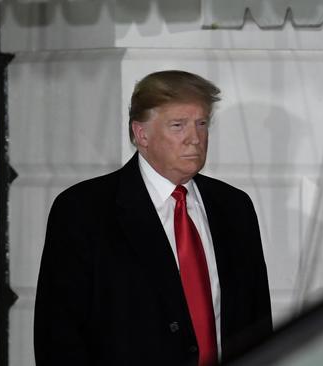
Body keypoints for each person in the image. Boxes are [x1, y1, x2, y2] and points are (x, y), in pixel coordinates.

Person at [34, 70, 273, 366]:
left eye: (201, 124)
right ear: (141, 134)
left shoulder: (234, 207)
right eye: (178, 126)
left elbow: (257, 321)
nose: (195, 139)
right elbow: (58, 336)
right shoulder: (84, 210)